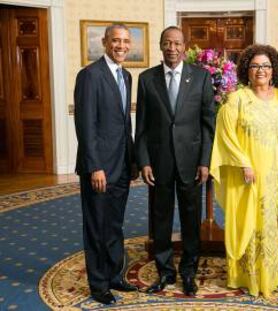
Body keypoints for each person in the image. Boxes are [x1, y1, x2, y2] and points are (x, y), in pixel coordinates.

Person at [135, 26, 215, 296]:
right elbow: (142, 127)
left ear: (185, 47)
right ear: (160, 45)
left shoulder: (202, 78)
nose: (172, 48)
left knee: (191, 221)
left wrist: (205, 161)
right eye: (167, 43)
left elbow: (207, 125)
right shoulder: (146, 79)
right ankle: (165, 272)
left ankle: (189, 273)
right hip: (159, 164)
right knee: (161, 220)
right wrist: (144, 161)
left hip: (192, 164)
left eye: (177, 43)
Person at [210, 44, 278, 298]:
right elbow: (225, 135)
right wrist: (244, 162)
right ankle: (250, 277)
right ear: (247, 69)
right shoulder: (237, 99)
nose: (261, 70)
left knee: (274, 224)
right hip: (249, 174)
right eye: (255, 65)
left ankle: (274, 275)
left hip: (277, 174)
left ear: (273, 69)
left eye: (266, 66)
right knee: (250, 222)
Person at [74, 24, 138, 305]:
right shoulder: (90, 75)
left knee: (114, 225)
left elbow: (125, 125)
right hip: (99, 168)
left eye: (125, 41)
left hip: (122, 166)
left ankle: (113, 275)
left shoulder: (126, 76)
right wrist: (94, 166)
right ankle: (98, 284)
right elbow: (85, 125)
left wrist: (132, 161)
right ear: (105, 42)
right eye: (116, 40)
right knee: (97, 227)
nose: (121, 46)